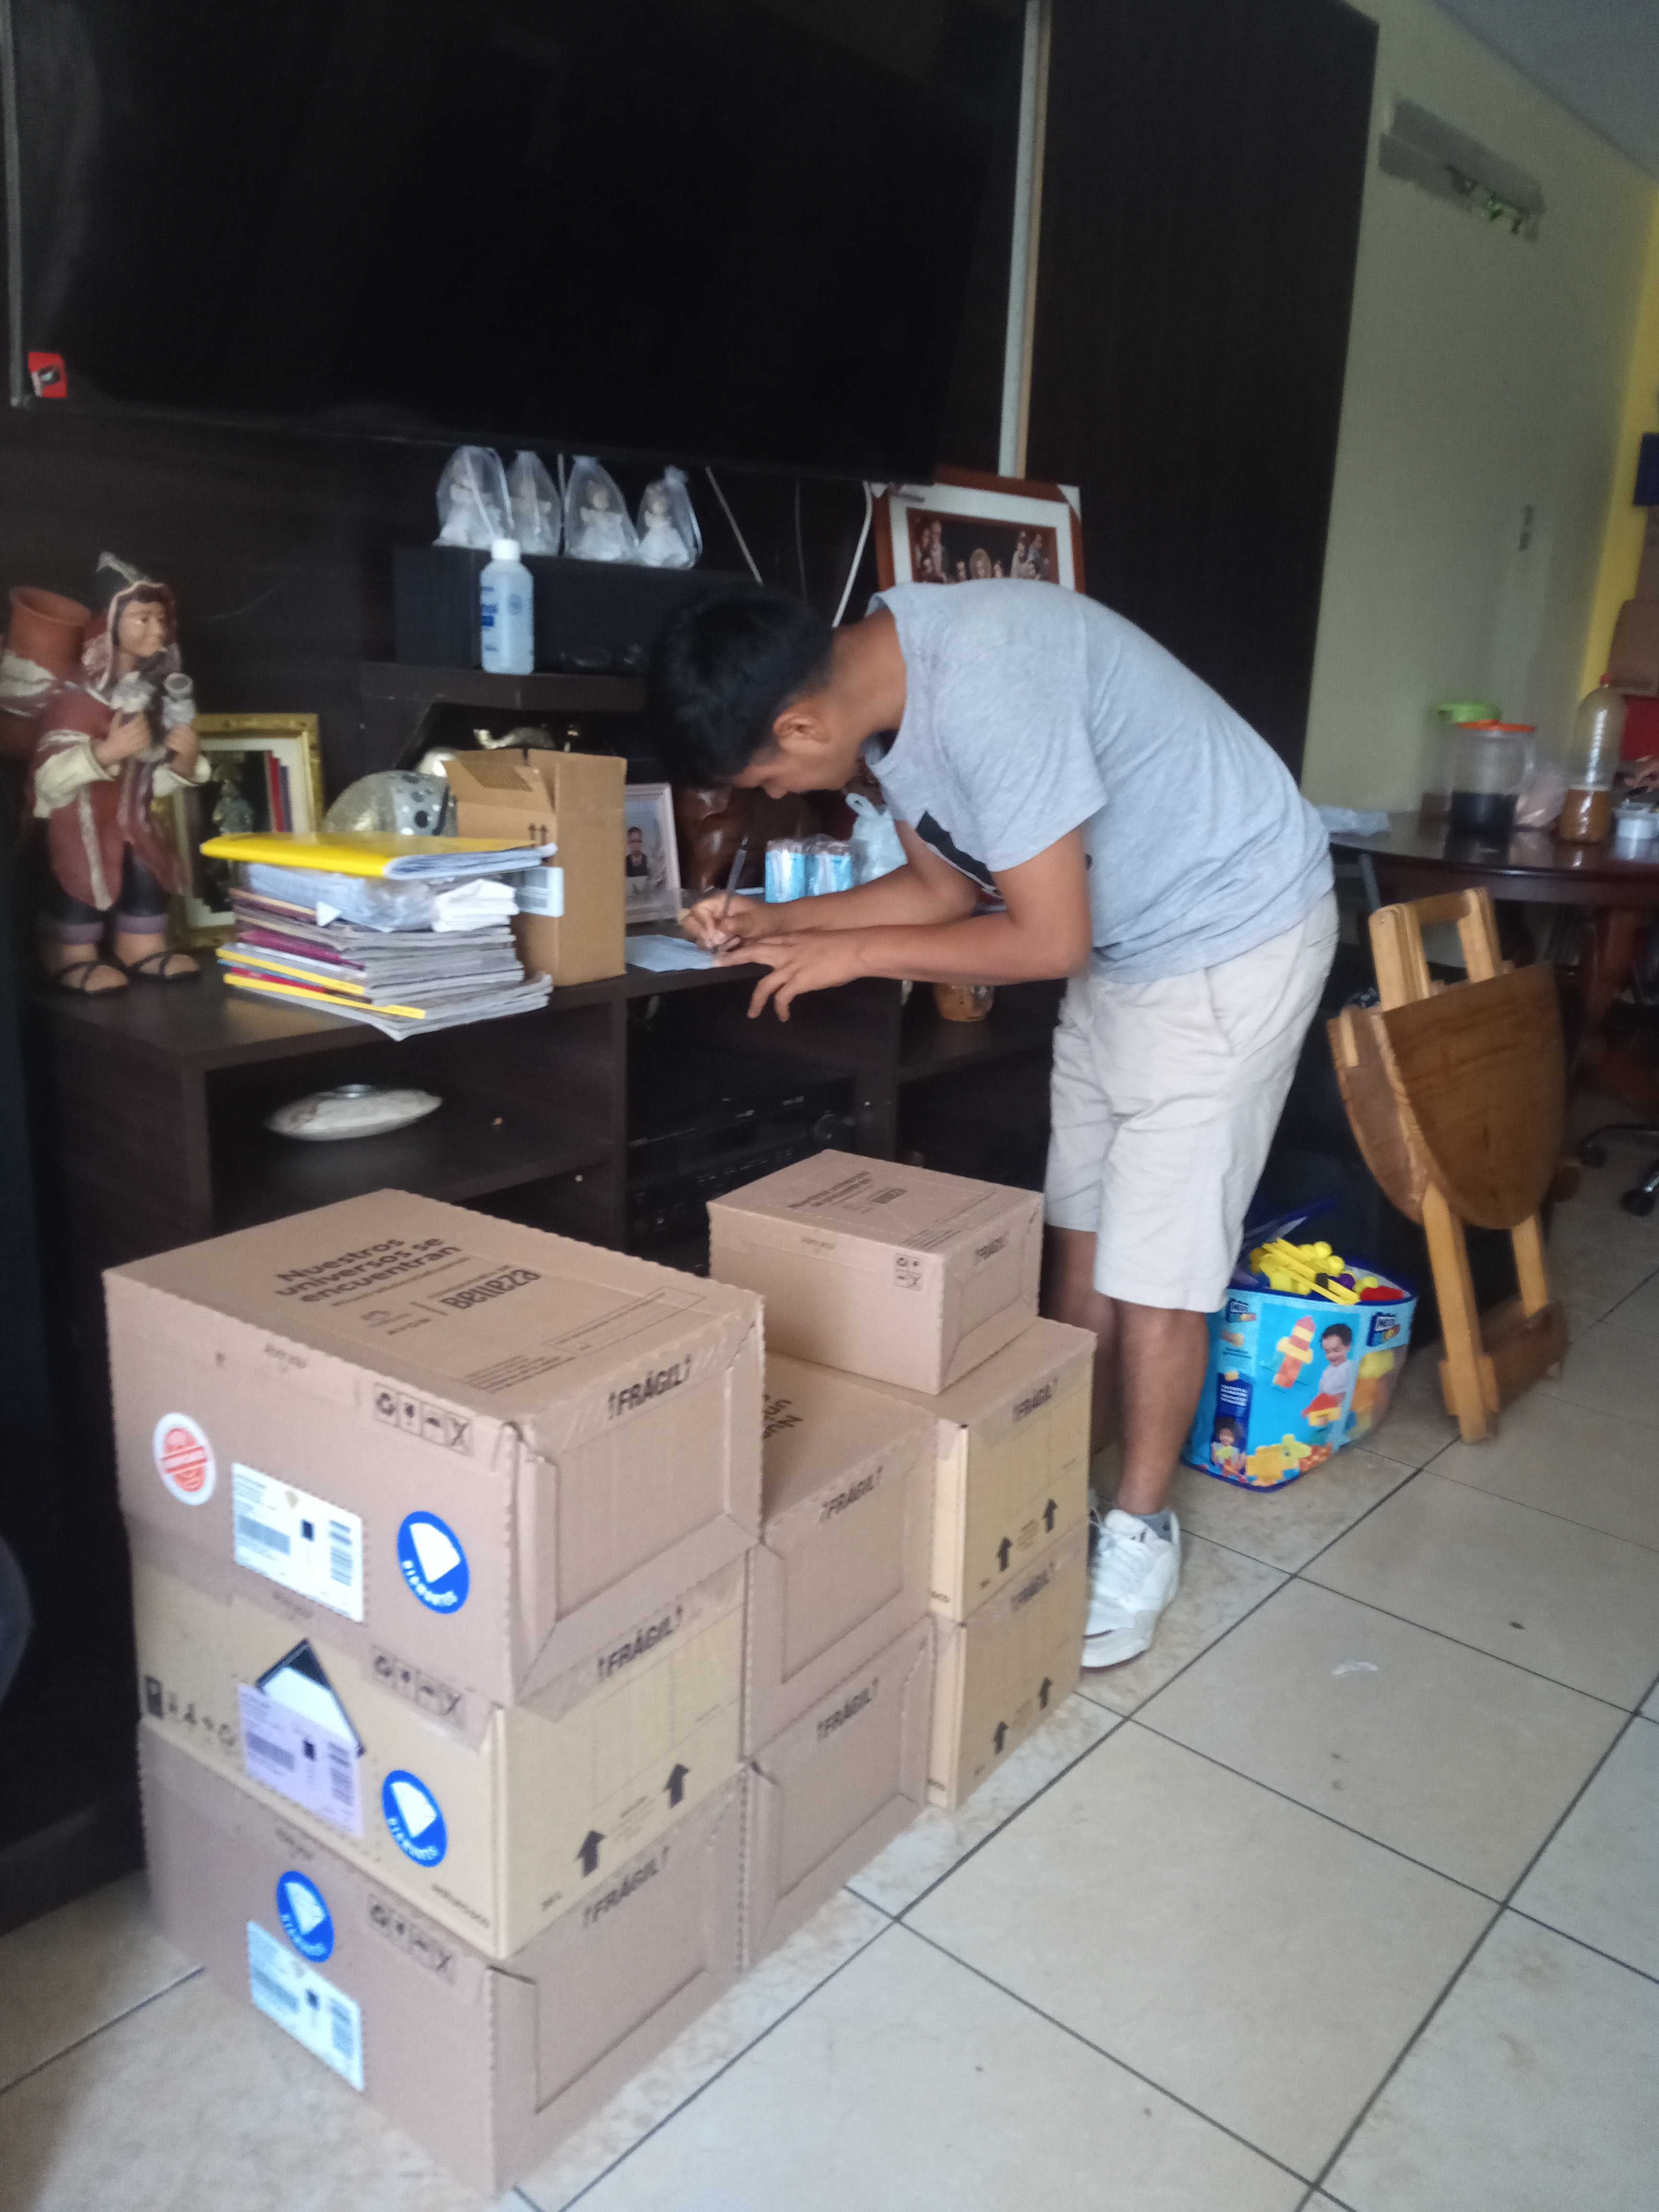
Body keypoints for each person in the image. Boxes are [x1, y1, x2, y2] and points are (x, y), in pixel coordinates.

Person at [649, 578, 1335, 1667]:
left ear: (801, 727)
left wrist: (853, 955)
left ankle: (1142, 1526)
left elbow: (1047, 941)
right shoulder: (890, 698)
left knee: (1159, 1274)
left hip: (1228, 935)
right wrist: (781, 921)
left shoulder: (990, 686)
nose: (775, 794)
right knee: (1082, 1232)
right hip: (1128, 947)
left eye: (766, 777)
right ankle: (1058, 1480)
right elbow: (941, 896)